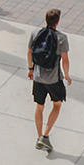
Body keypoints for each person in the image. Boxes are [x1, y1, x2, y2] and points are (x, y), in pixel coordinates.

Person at [29, 9, 71, 153]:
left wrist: (30, 69)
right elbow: (65, 60)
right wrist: (67, 75)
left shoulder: (36, 33)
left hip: (38, 77)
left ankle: (38, 137)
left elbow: (29, 52)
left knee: (39, 106)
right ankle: (45, 136)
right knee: (57, 105)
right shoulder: (62, 38)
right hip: (54, 79)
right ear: (57, 22)